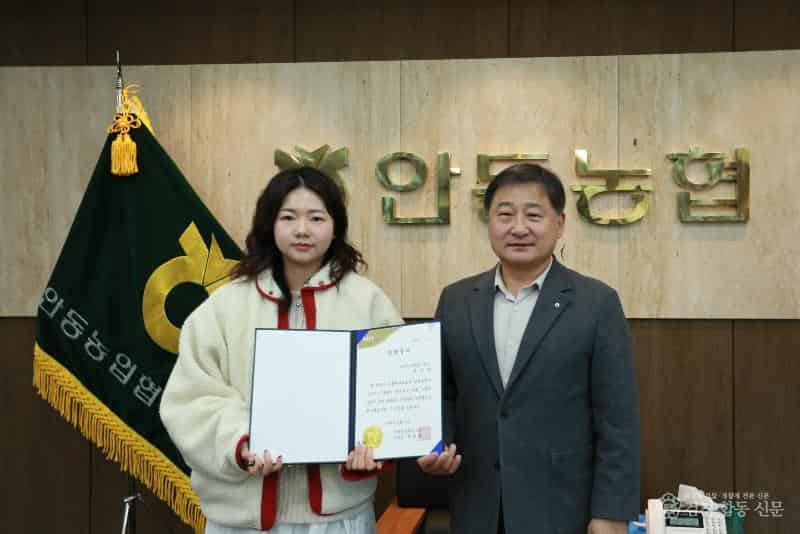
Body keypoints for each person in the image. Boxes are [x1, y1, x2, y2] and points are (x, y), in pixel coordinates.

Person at [160, 166, 401, 534]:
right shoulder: (224, 307)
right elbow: (191, 399)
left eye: (316, 218)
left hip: (339, 519)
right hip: (242, 521)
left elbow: (390, 393)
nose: (302, 230)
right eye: (288, 217)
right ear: (269, 223)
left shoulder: (368, 302)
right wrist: (242, 441)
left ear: (336, 226)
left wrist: (374, 443)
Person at [417, 163, 640, 534]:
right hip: (478, 504)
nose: (518, 228)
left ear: (560, 223)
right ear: (489, 222)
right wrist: (435, 444)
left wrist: (611, 512)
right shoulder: (456, 300)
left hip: (560, 507)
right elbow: (441, 393)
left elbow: (618, 420)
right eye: (505, 215)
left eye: (534, 215)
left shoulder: (596, 303)